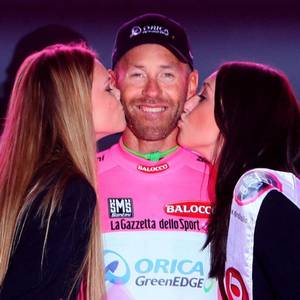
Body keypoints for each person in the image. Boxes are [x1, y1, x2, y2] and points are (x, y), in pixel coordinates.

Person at [98, 13, 220, 300]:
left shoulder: (225, 180)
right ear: (114, 82)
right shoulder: (81, 178)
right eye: (138, 75)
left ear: (190, 84)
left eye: (166, 75)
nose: (152, 92)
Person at [0, 43, 126, 299]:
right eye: (107, 88)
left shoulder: (36, 183)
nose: (119, 94)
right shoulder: (70, 193)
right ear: (76, 104)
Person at [178, 61, 300, 299]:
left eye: (203, 97)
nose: (187, 104)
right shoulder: (247, 197)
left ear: (239, 115)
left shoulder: (267, 201)